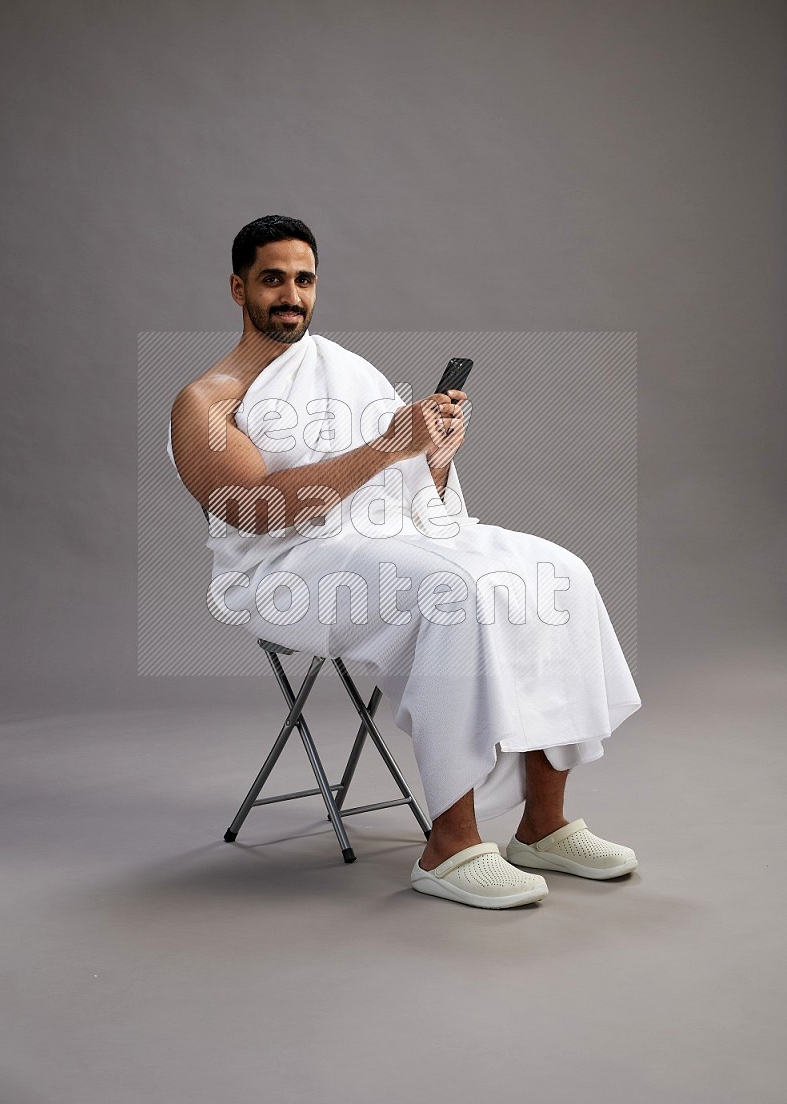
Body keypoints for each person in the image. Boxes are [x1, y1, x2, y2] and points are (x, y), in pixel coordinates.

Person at [168, 215, 642, 910]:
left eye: (304, 279)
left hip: (383, 539)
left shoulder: (346, 370)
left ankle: (543, 826)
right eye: (273, 279)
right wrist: (391, 447)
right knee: (455, 593)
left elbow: (409, 497)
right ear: (239, 288)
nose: (291, 295)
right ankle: (449, 844)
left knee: (558, 573)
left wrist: (434, 459)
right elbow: (256, 511)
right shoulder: (204, 401)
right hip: (290, 567)